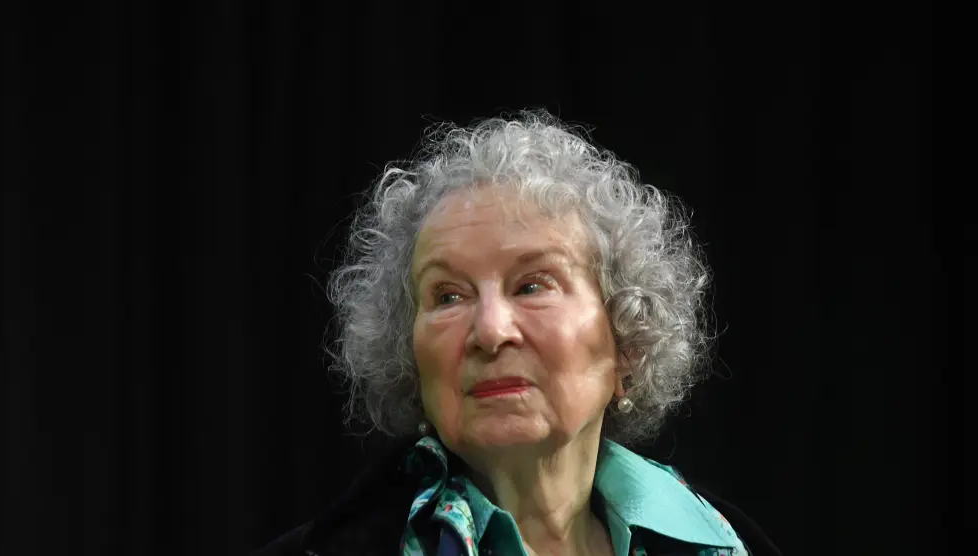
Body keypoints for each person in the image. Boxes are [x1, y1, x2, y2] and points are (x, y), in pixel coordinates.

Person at [255, 110, 779, 555]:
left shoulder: (729, 542)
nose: (489, 331)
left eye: (532, 285)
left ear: (628, 342)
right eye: (448, 296)